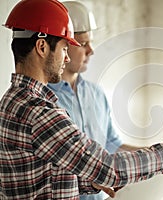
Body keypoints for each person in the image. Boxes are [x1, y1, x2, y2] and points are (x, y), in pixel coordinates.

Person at [0, 0, 163, 199]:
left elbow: (45, 177)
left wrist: (90, 184)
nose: (66, 57)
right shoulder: (39, 112)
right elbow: (110, 168)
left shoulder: (13, 101)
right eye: (65, 48)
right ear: (42, 47)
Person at [47, 1, 140, 199]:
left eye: (91, 42)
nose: (91, 50)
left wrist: (157, 151)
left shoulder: (97, 94)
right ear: (63, 45)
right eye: (83, 44)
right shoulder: (44, 102)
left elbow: (112, 145)